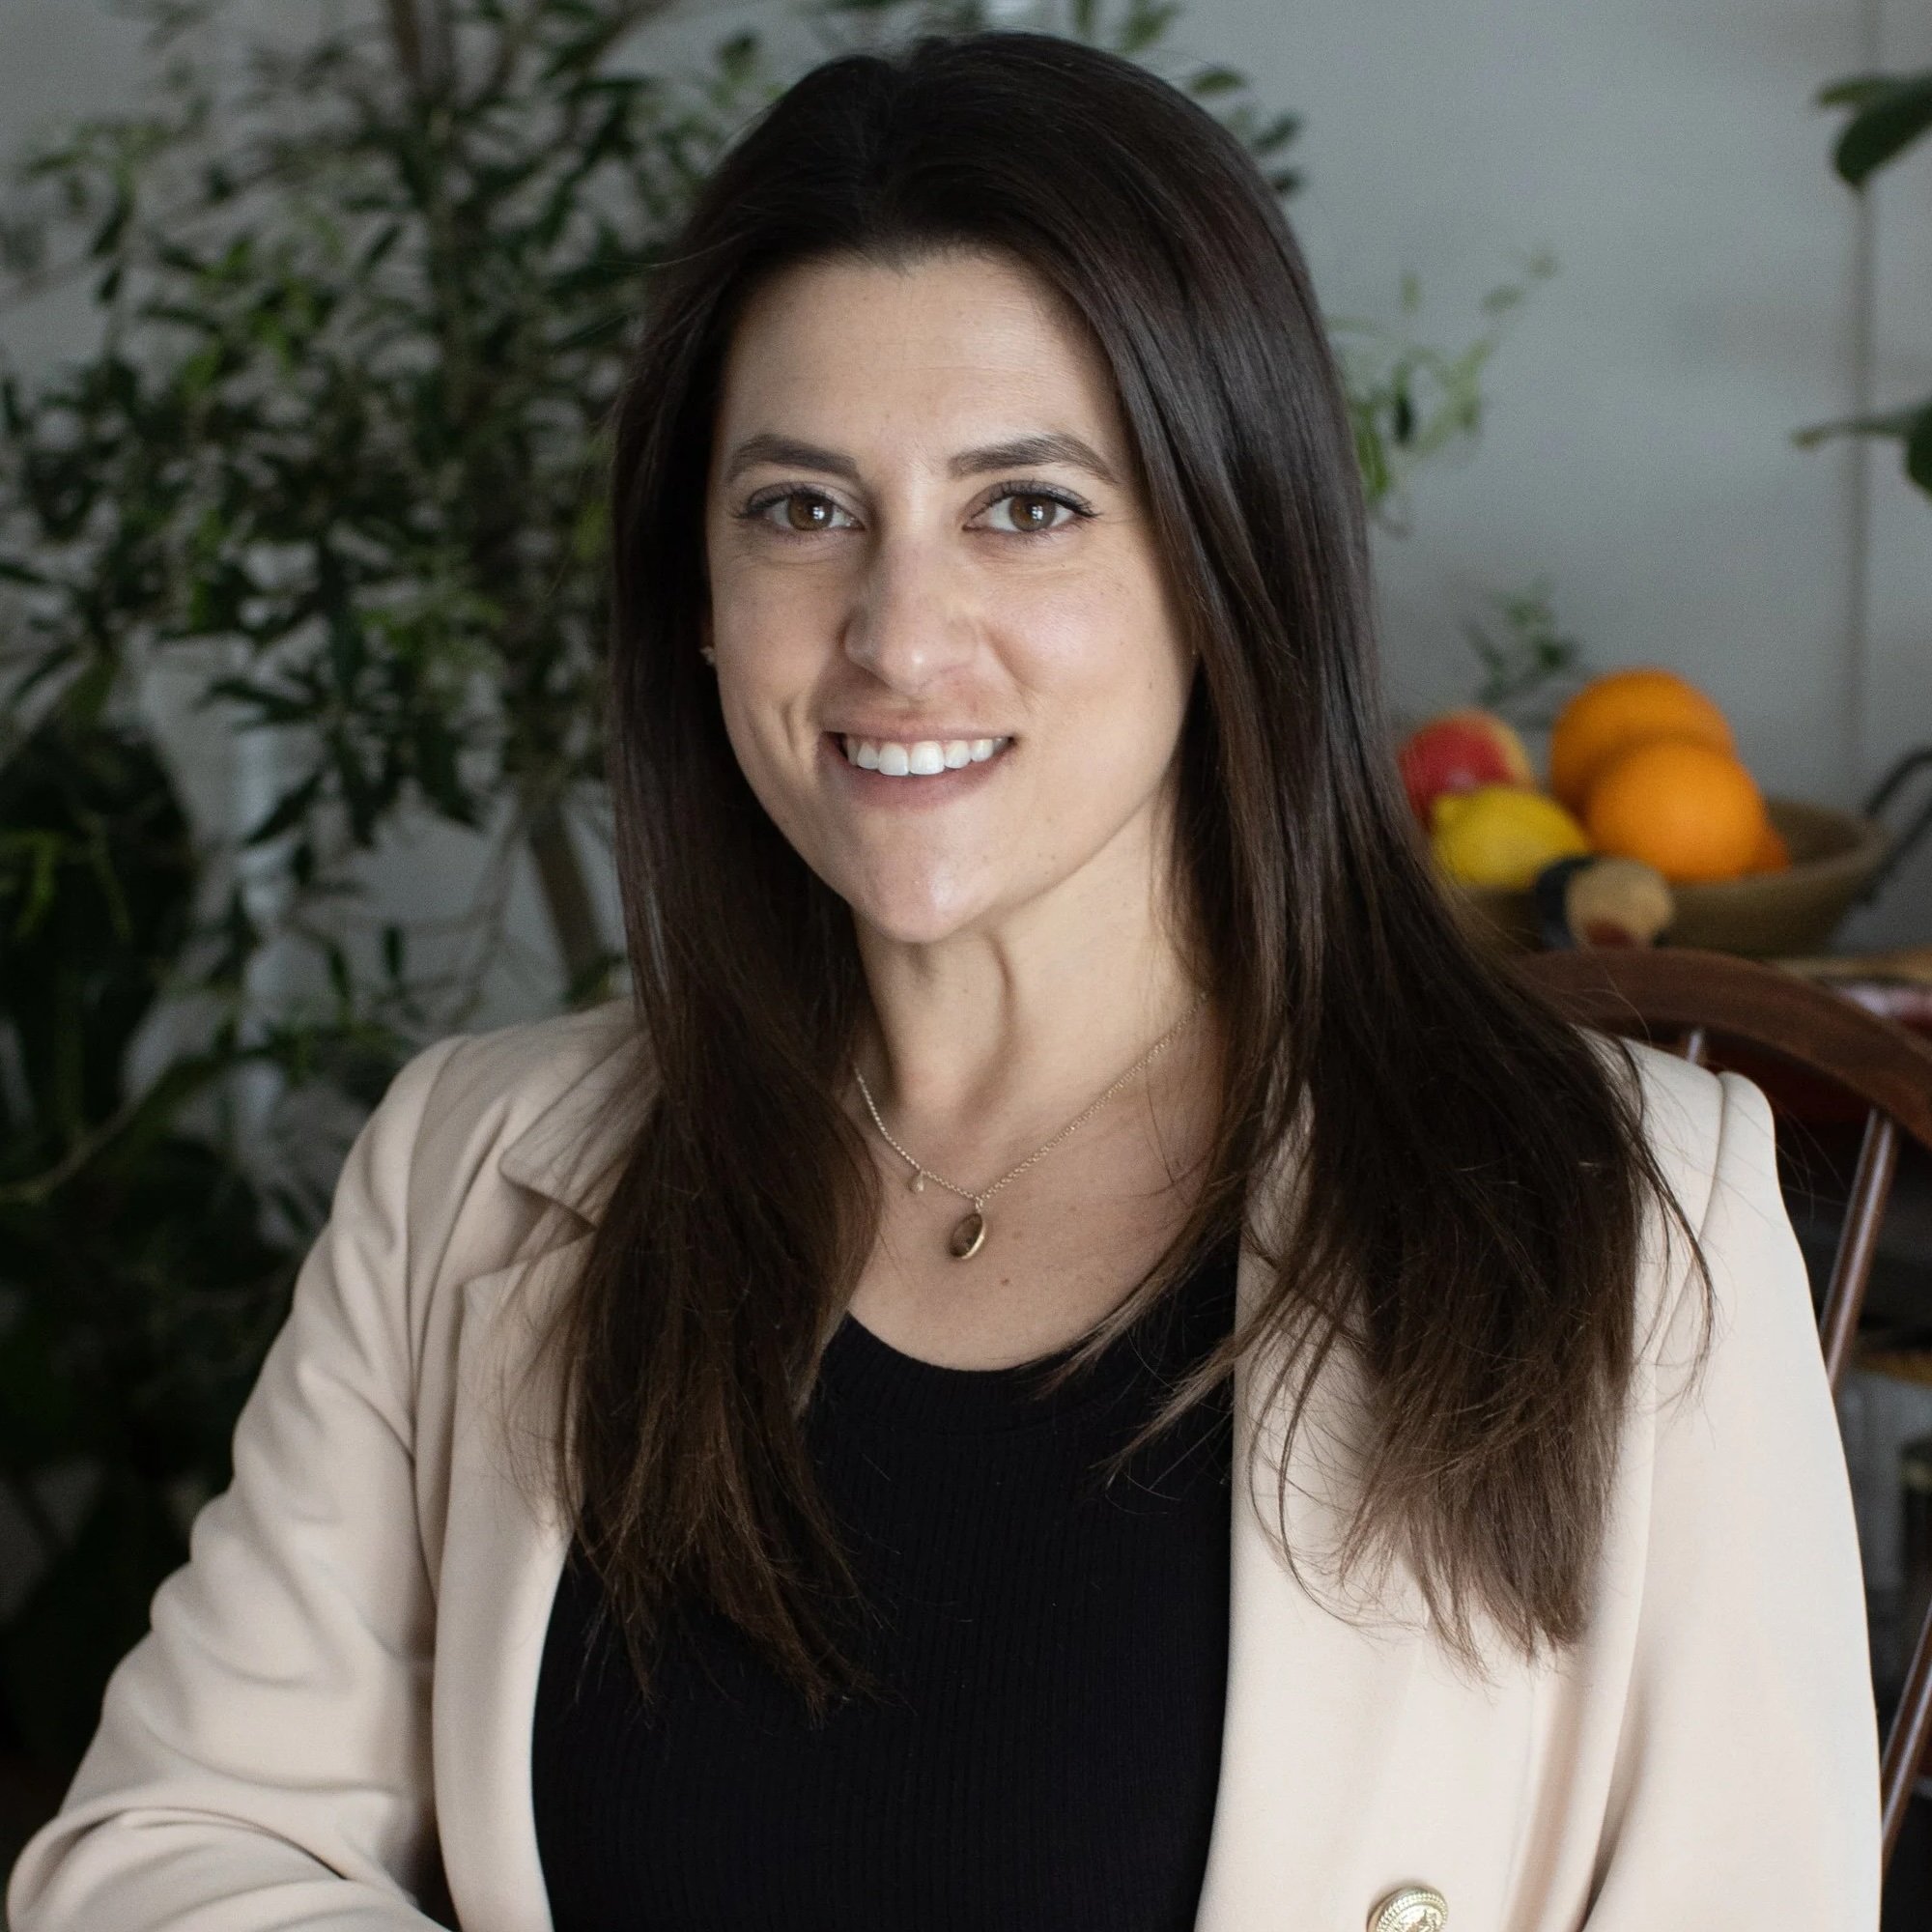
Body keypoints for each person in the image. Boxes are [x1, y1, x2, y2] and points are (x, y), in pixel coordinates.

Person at [6, 28, 1879, 1932]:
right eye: (802, 509)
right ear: (701, 592)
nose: (898, 635)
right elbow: (165, 1860)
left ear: (1226, 559)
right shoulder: (468, 1176)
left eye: (1028, 506)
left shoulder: (1633, 1218)